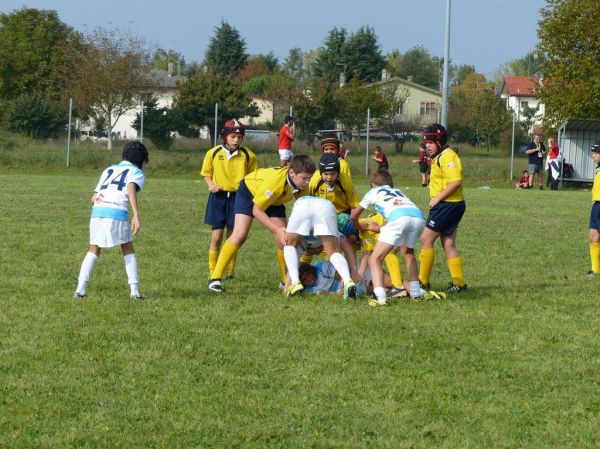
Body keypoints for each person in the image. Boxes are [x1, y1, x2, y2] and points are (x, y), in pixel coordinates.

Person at [208, 154, 316, 292]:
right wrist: (276, 229)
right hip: (250, 192)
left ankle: (285, 281)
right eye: (304, 178)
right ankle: (215, 278)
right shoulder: (275, 182)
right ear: (292, 172)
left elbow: (305, 208)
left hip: (275, 199)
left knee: (285, 240)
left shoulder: (302, 185)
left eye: (310, 178)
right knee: (240, 235)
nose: (307, 182)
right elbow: (257, 210)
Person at [351, 170, 442, 306]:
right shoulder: (398, 191)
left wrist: (358, 226)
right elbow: (400, 213)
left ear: (373, 185)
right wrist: (380, 227)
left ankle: (380, 298)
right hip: (418, 217)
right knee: (408, 253)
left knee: (375, 258)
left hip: (399, 219)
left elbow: (354, 215)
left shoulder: (373, 192)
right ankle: (416, 294)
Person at [73, 141, 149, 300]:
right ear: (142, 160)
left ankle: (80, 290)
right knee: (127, 248)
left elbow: (94, 196)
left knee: (93, 249)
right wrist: (136, 215)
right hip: (117, 212)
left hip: (98, 212)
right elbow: (130, 188)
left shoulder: (109, 169)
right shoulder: (136, 172)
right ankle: (134, 292)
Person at [200, 119, 258, 281]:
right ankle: (213, 272)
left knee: (233, 237)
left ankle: (230, 272)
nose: (236, 140)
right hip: (218, 199)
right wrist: (211, 184)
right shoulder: (213, 153)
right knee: (216, 237)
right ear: (225, 137)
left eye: (239, 138)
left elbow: (254, 178)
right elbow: (206, 173)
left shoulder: (248, 155)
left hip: (239, 199)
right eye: (233, 137)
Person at [418, 123, 468, 293]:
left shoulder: (448, 156)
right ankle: (459, 283)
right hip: (452, 205)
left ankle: (422, 283)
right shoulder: (439, 156)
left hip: (448, 205)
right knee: (448, 243)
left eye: (431, 142)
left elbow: (456, 182)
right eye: (426, 143)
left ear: (440, 141)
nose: (427, 146)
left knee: (425, 239)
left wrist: (437, 198)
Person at [282, 196, 357, 299]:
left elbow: (292, 266)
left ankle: (295, 283)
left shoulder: (299, 246)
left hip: (303, 204)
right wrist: (352, 274)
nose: (316, 253)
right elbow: (347, 250)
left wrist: (286, 289)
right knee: (333, 252)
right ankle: (348, 281)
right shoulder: (331, 236)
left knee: (289, 246)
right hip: (326, 206)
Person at [587, 141, 600, 277]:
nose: (593, 156)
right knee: (593, 237)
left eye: (596, 153)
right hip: (597, 206)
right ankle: (596, 270)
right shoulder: (598, 168)